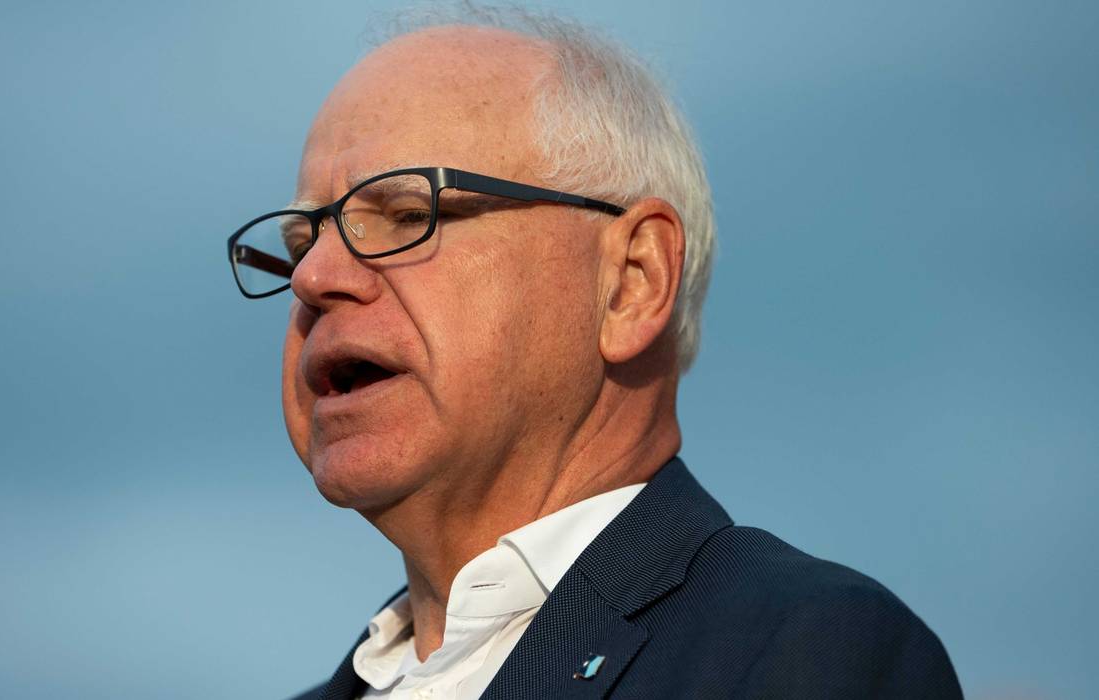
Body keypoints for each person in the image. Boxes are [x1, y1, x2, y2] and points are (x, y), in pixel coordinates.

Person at [226, 5, 961, 698]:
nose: (316, 278)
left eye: (407, 214)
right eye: (300, 244)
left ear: (630, 282)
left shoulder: (800, 653)